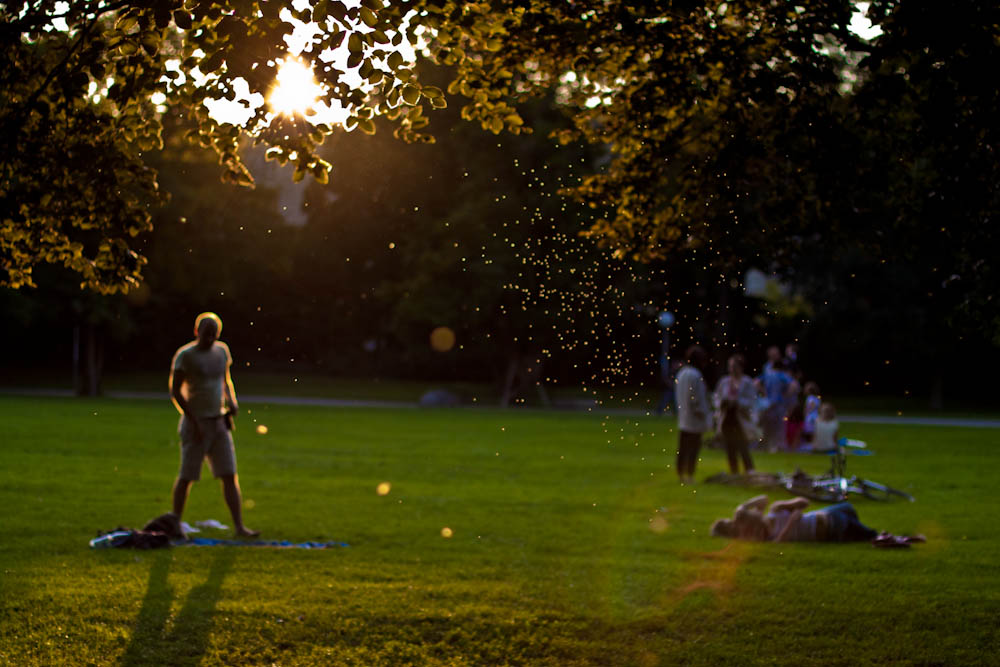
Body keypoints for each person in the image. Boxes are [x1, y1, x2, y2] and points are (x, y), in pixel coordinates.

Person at [168, 312, 259, 537]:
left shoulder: (222, 351)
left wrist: (233, 403)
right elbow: (175, 391)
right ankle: (175, 524)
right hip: (195, 424)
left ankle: (239, 527)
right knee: (187, 476)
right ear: (197, 332)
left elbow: (225, 380)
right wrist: (192, 419)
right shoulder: (185, 355)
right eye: (206, 334)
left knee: (229, 474)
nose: (210, 339)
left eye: (214, 335)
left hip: (219, 423)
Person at [710, 495, 923, 544]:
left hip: (824, 515)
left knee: (848, 508)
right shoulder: (766, 537)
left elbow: (803, 503)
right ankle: (907, 539)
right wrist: (793, 521)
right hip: (831, 525)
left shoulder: (773, 511)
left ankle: (887, 536)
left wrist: (793, 506)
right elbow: (779, 542)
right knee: (871, 535)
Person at [713, 354, 757, 475]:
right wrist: (722, 403)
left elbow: (752, 400)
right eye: (730, 366)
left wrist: (738, 402)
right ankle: (734, 471)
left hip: (740, 418)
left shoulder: (747, 382)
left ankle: (749, 470)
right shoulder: (724, 381)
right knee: (730, 446)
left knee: (742, 445)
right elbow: (717, 397)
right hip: (727, 417)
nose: (731, 369)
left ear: (740, 367)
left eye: (734, 366)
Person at [675, 345, 711, 484]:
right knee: (693, 449)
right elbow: (695, 398)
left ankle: (681, 473)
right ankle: (689, 474)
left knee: (683, 448)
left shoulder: (682, 373)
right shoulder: (695, 375)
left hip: (683, 417)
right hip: (694, 419)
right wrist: (703, 414)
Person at [758, 358, 798, 451]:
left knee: (766, 427)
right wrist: (786, 395)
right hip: (779, 404)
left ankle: (765, 446)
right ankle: (778, 447)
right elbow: (794, 385)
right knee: (779, 428)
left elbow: (755, 382)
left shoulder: (767, 375)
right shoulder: (782, 375)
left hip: (767, 404)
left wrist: (764, 392)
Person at [799, 382, 822, 447]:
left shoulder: (810, 398)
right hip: (815, 416)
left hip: (810, 417)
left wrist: (805, 412)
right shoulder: (817, 398)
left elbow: (810, 407)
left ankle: (810, 445)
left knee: (809, 431)